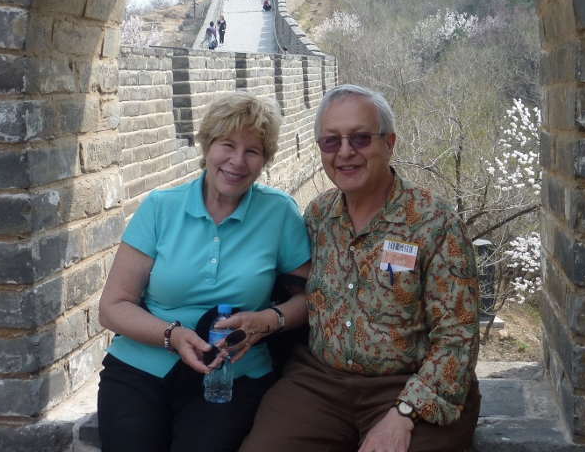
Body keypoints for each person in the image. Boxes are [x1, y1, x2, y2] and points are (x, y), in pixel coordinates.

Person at [240, 84, 481, 452]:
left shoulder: (434, 223)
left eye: (360, 138)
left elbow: (458, 336)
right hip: (320, 383)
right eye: (331, 141)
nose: (345, 152)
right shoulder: (319, 216)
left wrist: (405, 412)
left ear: (389, 143)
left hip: (410, 385)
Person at [98, 91, 312, 452]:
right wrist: (172, 336)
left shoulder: (279, 213)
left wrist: (266, 320)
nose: (237, 161)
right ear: (206, 146)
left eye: (253, 151)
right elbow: (112, 306)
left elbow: (310, 299)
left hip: (234, 375)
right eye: (227, 145)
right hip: (141, 369)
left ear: (265, 160)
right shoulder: (159, 208)